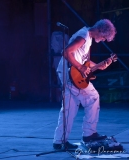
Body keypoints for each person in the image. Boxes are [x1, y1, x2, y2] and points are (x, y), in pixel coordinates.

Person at [53, 19, 117, 150]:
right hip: (70, 74)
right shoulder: (83, 36)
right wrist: (80, 68)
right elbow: (66, 52)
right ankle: (89, 133)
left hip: (69, 73)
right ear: (100, 30)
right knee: (93, 97)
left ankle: (59, 142)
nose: (103, 40)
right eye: (104, 37)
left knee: (69, 109)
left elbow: (85, 63)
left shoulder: (88, 37)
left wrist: (100, 66)